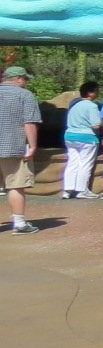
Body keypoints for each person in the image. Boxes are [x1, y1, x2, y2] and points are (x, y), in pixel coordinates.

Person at [0, 65, 42, 233]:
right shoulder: (25, 95)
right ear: (18, 79)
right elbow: (30, 123)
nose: (25, 82)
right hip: (13, 147)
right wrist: (32, 146)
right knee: (16, 185)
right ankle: (19, 223)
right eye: (25, 79)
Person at [61, 82, 103, 199]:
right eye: (96, 91)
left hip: (70, 136)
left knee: (72, 163)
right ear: (90, 93)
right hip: (87, 138)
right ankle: (81, 190)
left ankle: (68, 190)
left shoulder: (74, 104)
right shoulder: (92, 106)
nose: (97, 93)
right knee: (85, 164)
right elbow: (95, 125)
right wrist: (102, 121)